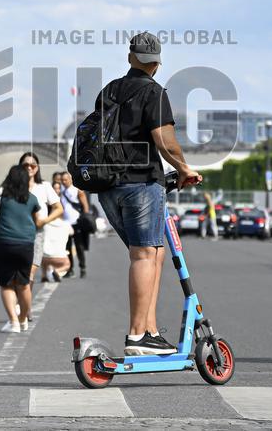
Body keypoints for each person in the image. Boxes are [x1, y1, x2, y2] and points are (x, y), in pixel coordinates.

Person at [94, 32, 202, 356]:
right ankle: (137, 335)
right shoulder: (153, 92)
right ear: (156, 64)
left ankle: (150, 331)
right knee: (145, 256)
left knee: (152, 255)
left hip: (107, 187)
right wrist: (184, 168)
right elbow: (164, 140)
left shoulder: (109, 91)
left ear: (130, 58)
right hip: (140, 183)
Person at [0, 164, 42, 333]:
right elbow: (36, 220)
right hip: (26, 244)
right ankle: (23, 320)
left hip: (4, 243)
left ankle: (13, 322)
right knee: (24, 285)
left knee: (6, 284)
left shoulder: (2, 197)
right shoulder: (32, 198)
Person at [19, 152, 64, 286]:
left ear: (37, 167)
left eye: (33, 165)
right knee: (19, 272)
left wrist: (44, 221)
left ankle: (23, 306)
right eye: (25, 164)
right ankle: (20, 304)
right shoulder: (14, 187)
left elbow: (59, 208)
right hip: (16, 233)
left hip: (37, 233)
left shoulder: (44, 186)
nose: (29, 167)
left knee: (30, 273)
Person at [60, 172, 91, 277]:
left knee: (79, 247)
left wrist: (85, 219)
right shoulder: (61, 190)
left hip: (77, 222)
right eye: (62, 180)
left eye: (66, 179)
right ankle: (70, 269)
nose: (64, 182)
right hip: (65, 224)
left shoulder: (77, 189)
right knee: (67, 248)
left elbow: (85, 206)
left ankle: (83, 268)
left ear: (70, 179)